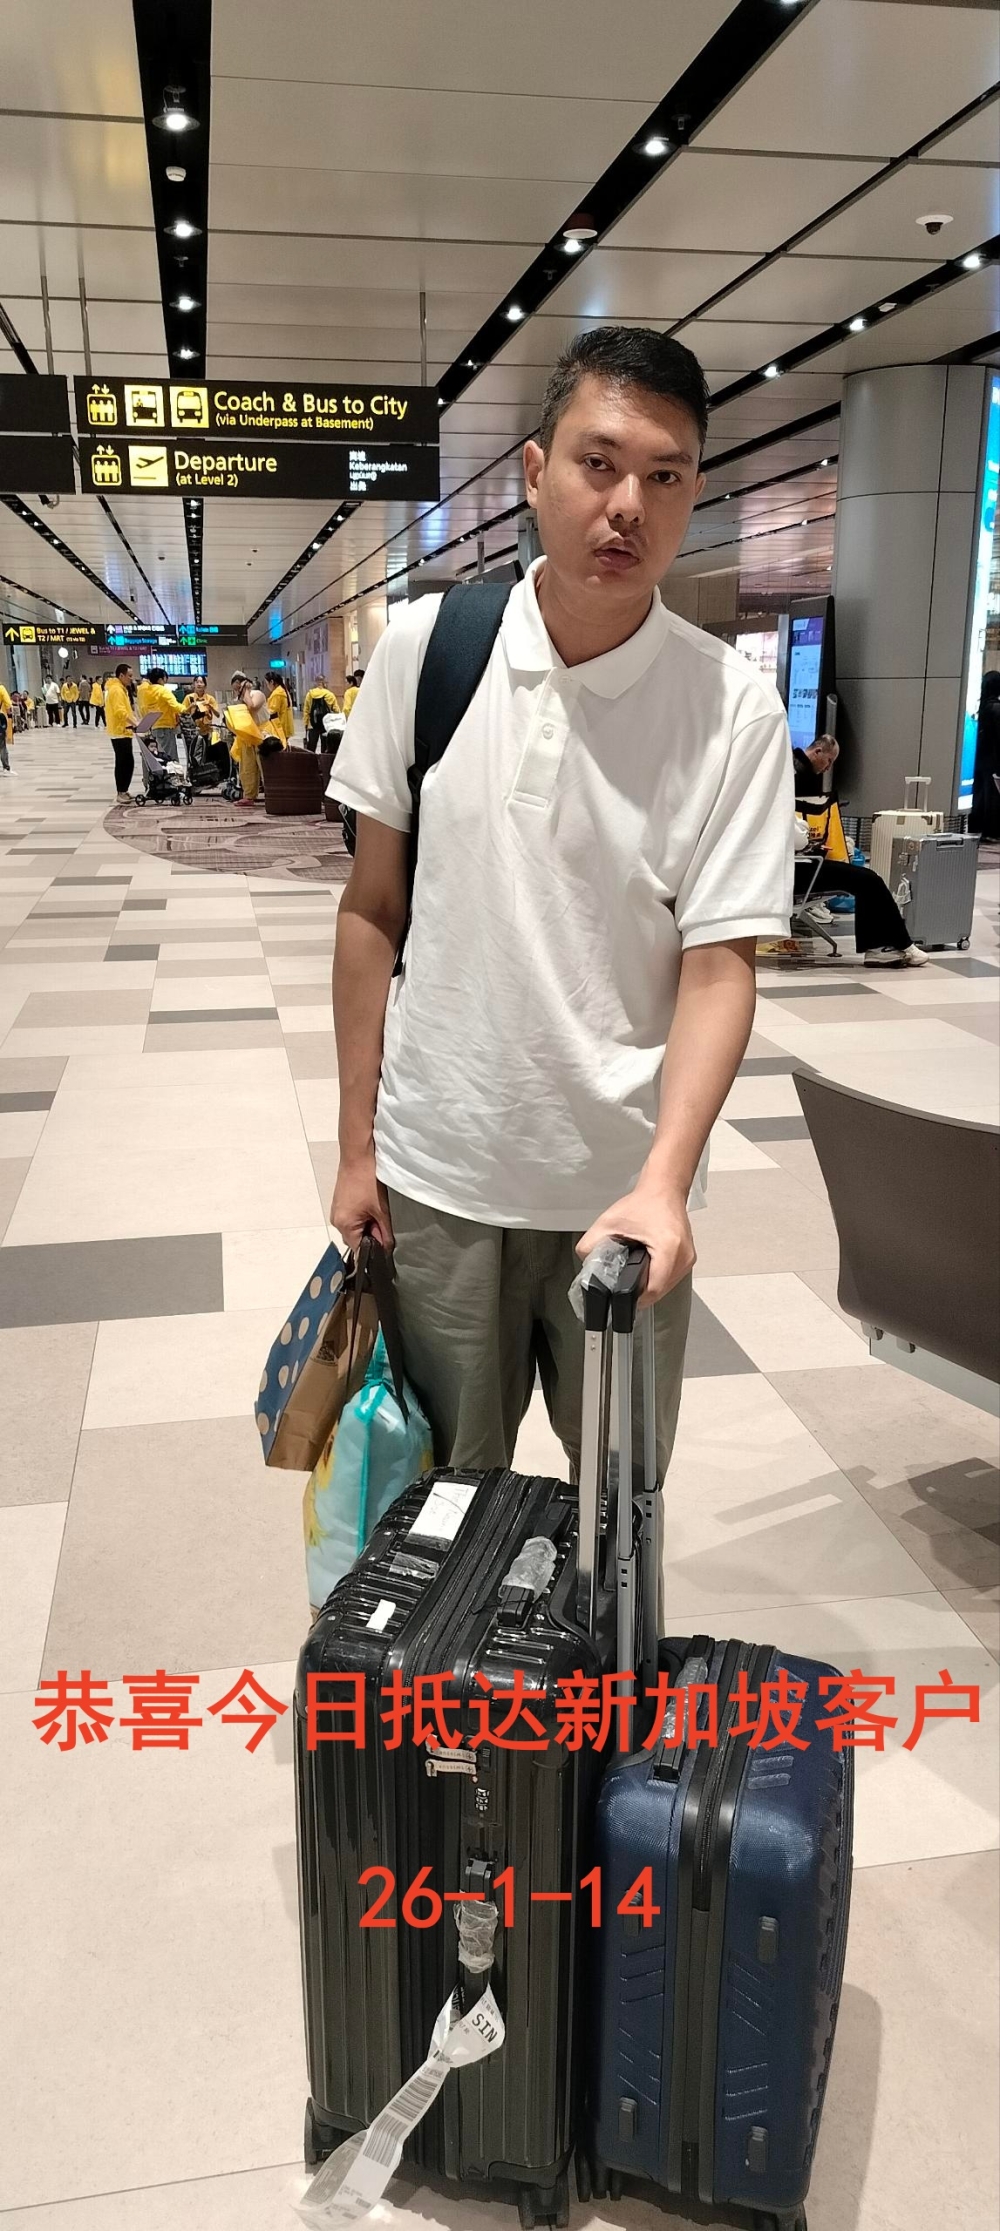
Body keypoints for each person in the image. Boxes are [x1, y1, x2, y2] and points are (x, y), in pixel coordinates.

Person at [329, 324, 794, 1480]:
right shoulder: (425, 651)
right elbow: (371, 908)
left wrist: (665, 1183)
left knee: (617, 1517)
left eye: (665, 475)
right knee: (444, 1516)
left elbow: (718, 963)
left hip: (620, 1196)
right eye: (598, 462)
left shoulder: (731, 707)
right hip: (441, 1174)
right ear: (535, 472)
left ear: (693, 492)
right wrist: (356, 1148)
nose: (627, 504)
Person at [224, 672, 284, 804]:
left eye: (240, 687)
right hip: (246, 735)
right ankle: (249, 795)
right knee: (247, 767)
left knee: (265, 765)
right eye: (236, 688)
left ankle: (272, 794)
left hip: (262, 734)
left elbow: (252, 707)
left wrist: (246, 691)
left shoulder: (257, 694)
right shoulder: (238, 700)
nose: (238, 690)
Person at [970, 669, 1000, 842]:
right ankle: (991, 830)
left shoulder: (982, 707)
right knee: (993, 795)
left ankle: (978, 827)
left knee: (981, 793)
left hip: (981, 758)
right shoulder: (996, 708)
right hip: (994, 759)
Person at [105, 662, 137, 803]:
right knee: (123, 762)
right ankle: (121, 792)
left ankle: (124, 790)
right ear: (121, 675)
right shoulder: (116, 690)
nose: (131, 678)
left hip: (124, 730)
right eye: (129, 676)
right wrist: (134, 723)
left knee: (127, 761)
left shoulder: (121, 689)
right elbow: (120, 711)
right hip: (119, 730)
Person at [266, 673, 294, 740]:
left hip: (280, 726)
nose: (267, 686)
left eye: (267, 684)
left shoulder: (277, 694)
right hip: (286, 725)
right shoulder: (283, 690)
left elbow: (271, 711)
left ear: (271, 682)